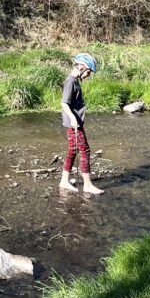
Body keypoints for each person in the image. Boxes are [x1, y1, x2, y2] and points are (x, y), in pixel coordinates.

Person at [59, 53, 104, 195]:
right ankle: (87, 185)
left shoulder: (75, 80)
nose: (89, 75)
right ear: (82, 67)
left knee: (73, 151)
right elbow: (64, 103)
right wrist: (73, 118)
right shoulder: (71, 81)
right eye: (89, 72)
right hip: (74, 124)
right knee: (85, 151)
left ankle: (64, 181)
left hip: (74, 123)